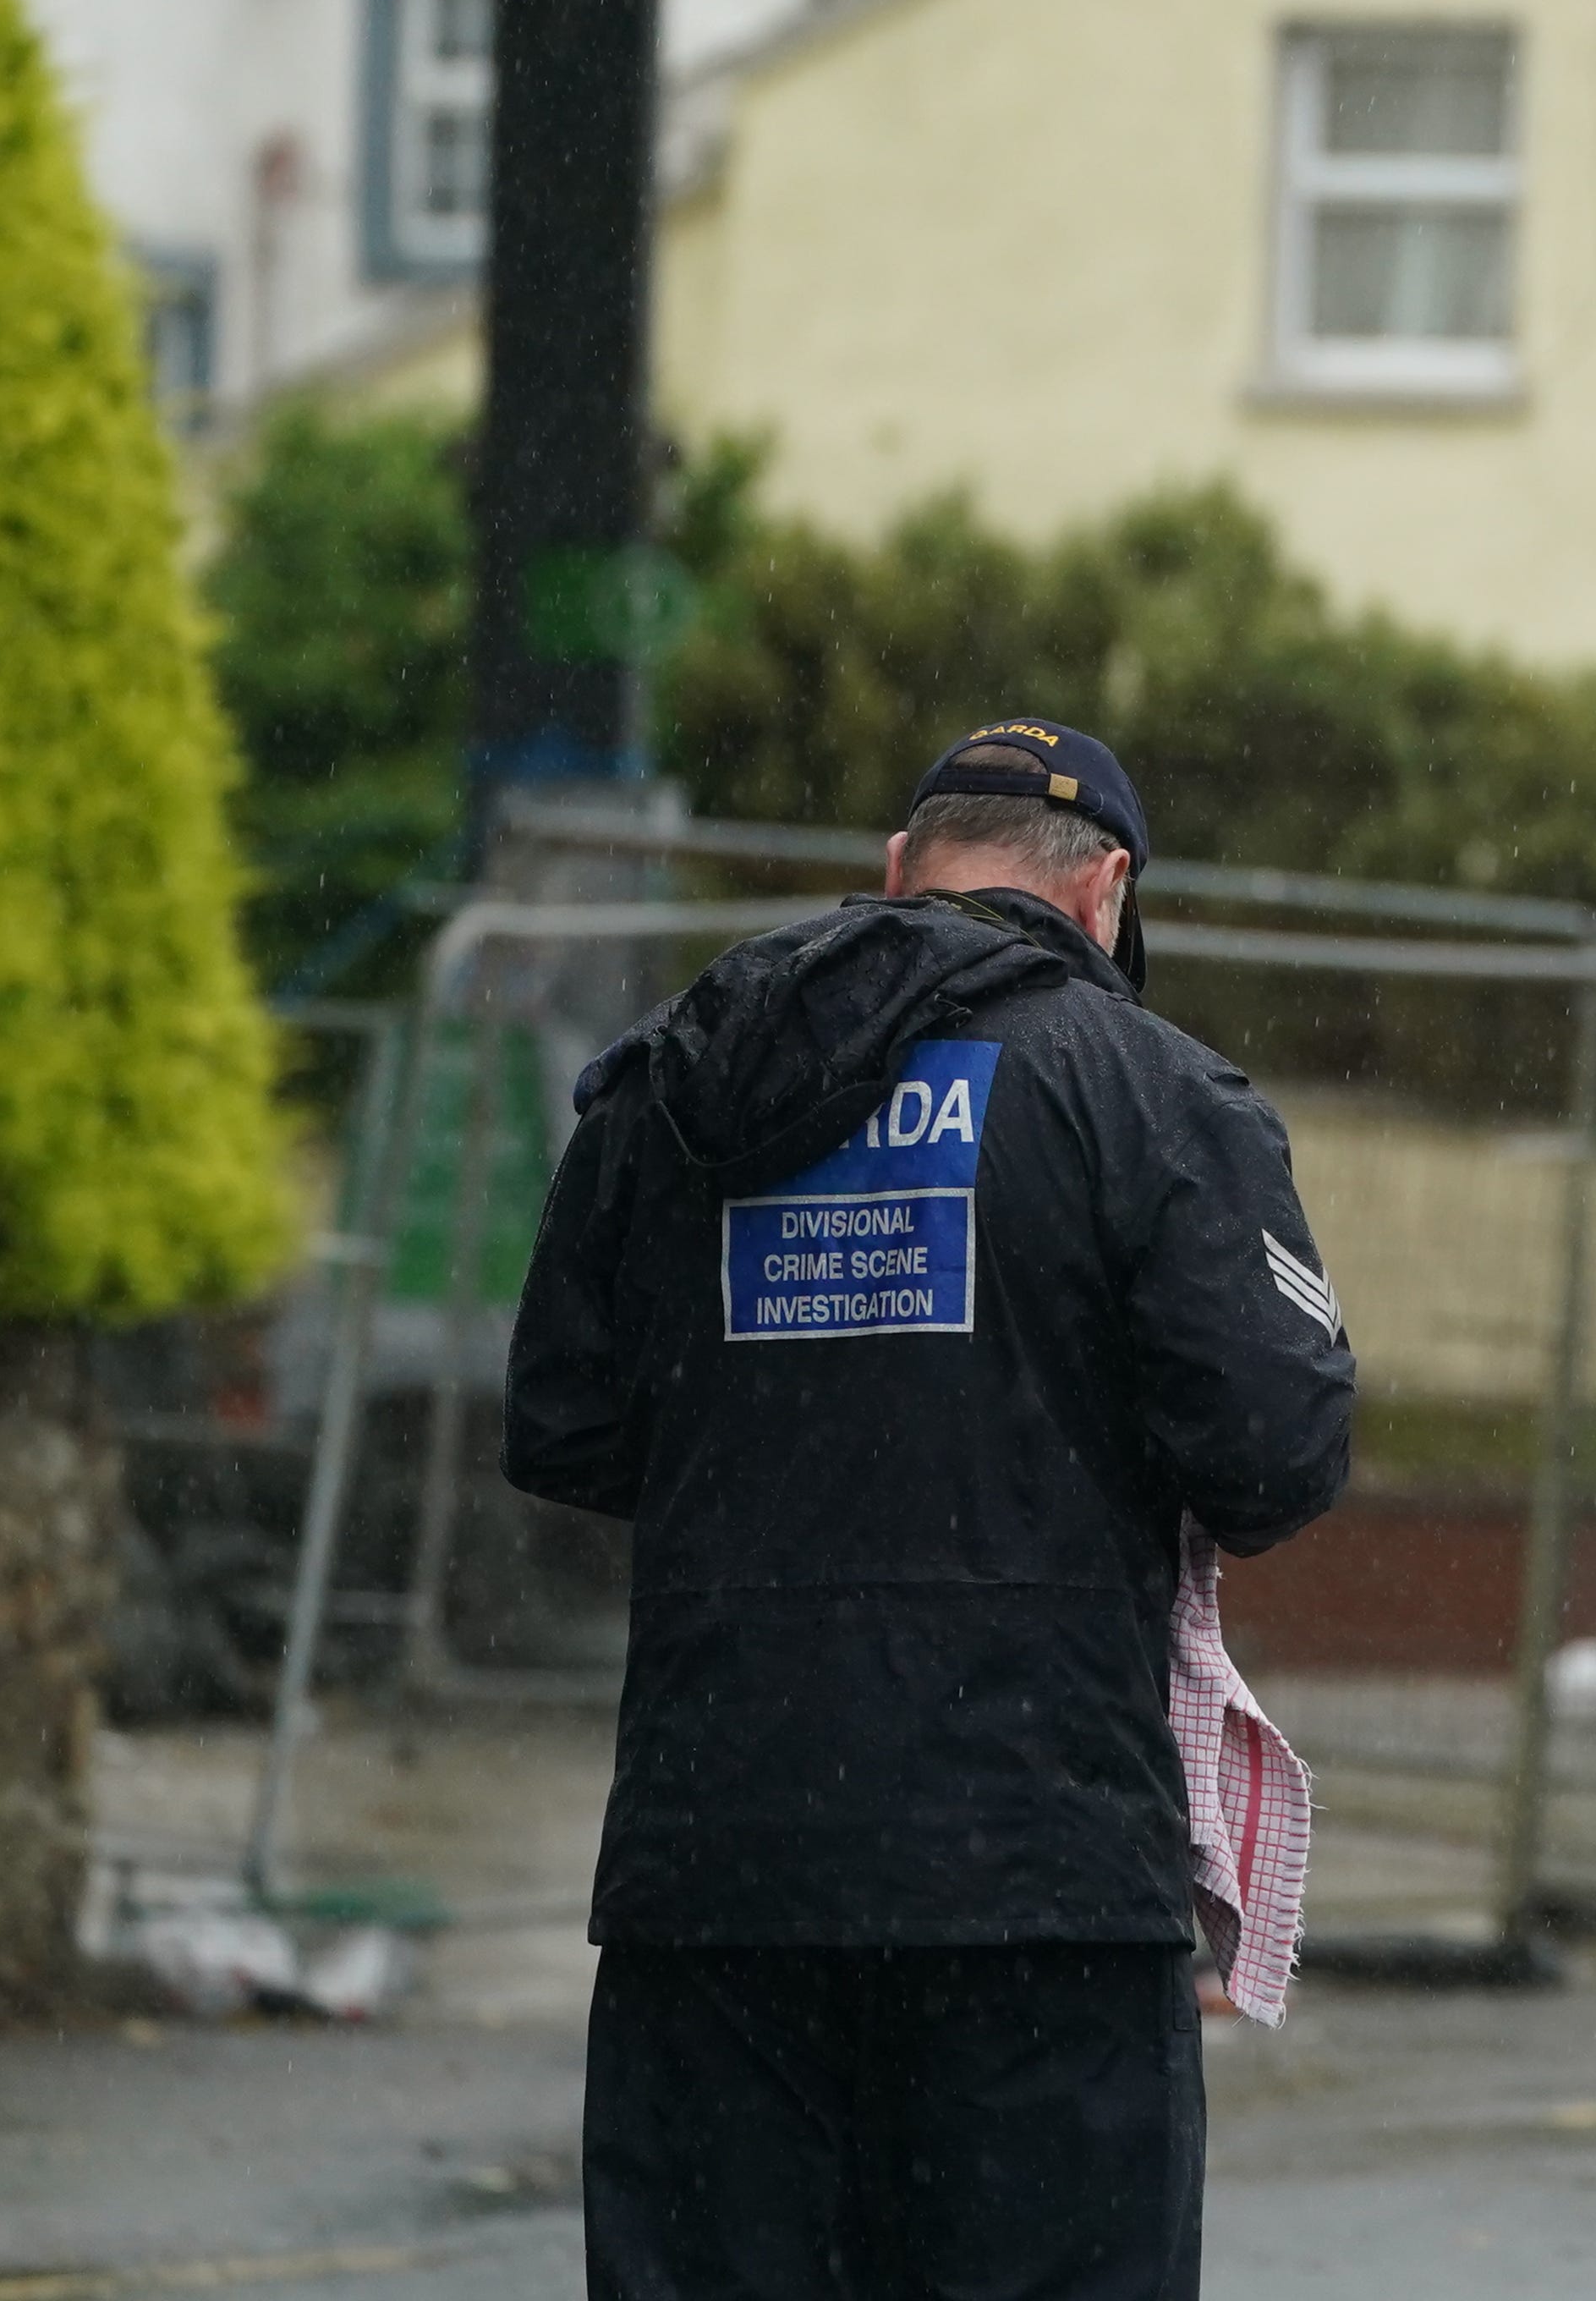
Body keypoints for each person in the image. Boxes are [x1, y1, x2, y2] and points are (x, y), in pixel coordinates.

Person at [506, 720, 1356, 2301]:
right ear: (1103, 894)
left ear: (898, 872)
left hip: (722, 1877)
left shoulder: (681, 1077)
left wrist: (784, 1453)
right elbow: (1275, 1452)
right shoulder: (1147, 1092)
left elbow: (563, 1426)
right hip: (1036, 1887)